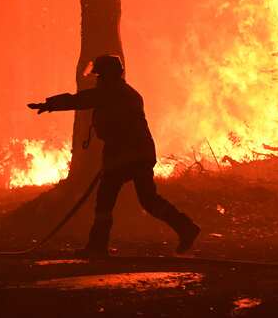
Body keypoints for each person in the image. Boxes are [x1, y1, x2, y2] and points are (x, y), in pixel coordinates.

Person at [28, 54, 199, 257]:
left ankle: (97, 246)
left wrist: (49, 105)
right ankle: (185, 227)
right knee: (148, 199)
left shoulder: (111, 92)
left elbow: (80, 100)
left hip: (125, 155)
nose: (98, 80)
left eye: (100, 76)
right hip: (138, 153)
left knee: (105, 200)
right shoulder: (126, 92)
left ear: (108, 75)